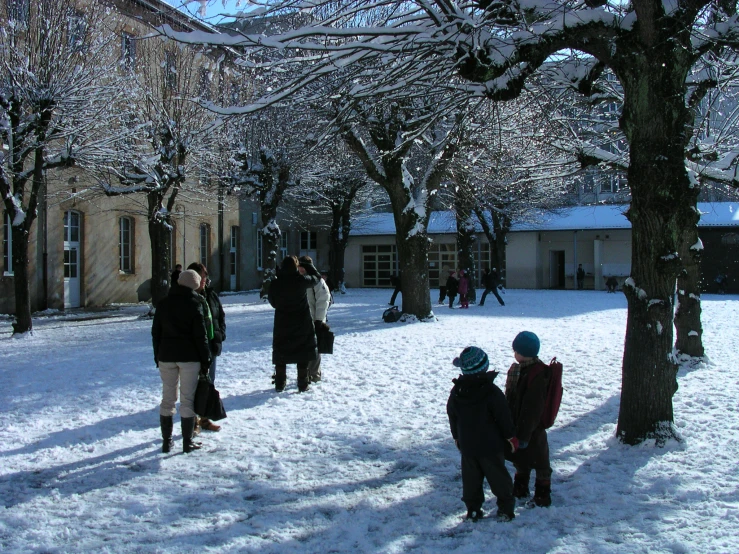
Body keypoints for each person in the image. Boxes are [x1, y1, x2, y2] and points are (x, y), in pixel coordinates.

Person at [447, 346, 519, 522]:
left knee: (471, 480)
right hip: (491, 446)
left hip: (468, 446)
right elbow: (503, 417)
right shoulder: (492, 392)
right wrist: (510, 436)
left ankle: (473, 509)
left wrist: (457, 436)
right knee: (499, 478)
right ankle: (505, 508)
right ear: (484, 367)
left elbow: (453, 415)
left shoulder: (457, 392)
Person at [152, 269, 211, 454]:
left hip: (166, 356)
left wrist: (158, 355)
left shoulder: (164, 304)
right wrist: (205, 359)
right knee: (187, 400)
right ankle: (187, 441)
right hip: (189, 358)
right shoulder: (195, 304)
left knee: (167, 399)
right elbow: (200, 336)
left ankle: (166, 441)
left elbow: (156, 333)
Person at [504, 331, 553, 507]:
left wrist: (524, 434)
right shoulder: (522, 370)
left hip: (534, 428)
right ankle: (520, 488)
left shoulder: (536, 375)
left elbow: (533, 408)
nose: (514, 353)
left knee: (541, 463)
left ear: (522, 353)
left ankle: (542, 495)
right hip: (521, 425)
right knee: (521, 460)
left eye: (515, 350)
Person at [268, 255, 320, 392]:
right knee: (302, 353)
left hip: (282, 324)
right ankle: (302, 383)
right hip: (301, 323)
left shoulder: (275, 283)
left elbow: (273, 303)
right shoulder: (301, 281)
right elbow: (317, 277)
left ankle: (280, 383)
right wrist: (308, 265)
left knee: (281, 354)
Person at [187, 262, 226, 432]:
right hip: (194, 349)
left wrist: (220, 334)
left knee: (208, 383)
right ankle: (193, 421)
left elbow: (220, 315)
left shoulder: (211, 295)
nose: (204, 280)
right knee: (193, 385)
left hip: (211, 346)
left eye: (205, 277)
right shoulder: (188, 298)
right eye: (202, 277)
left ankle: (204, 417)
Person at [299, 256, 332, 383]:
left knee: (314, 348)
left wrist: (319, 320)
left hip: (314, 320)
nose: (300, 269)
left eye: (302, 266)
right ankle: (306, 372)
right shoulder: (302, 280)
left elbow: (323, 301)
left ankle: (314, 374)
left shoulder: (317, 281)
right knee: (304, 348)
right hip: (303, 319)